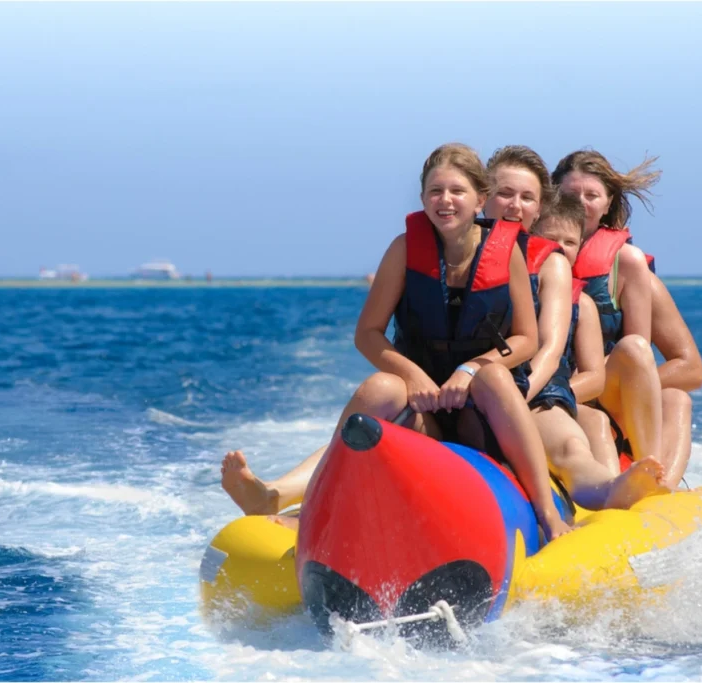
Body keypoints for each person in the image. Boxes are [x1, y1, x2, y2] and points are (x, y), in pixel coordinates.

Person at [222, 143, 572, 539]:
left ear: (480, 198)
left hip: (481, 411)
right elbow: (367, 334)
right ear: (422, 198)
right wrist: (413, 376)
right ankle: (297, 503)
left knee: (493, 377)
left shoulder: (506, 252)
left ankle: (548, 513)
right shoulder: (404, 250)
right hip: (425, 414)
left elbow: (526, 339)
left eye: (457, 191)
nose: (445, 200)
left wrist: (470, 369)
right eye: (435, 191)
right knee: (379, 387)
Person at [468, 145, 667, 509]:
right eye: (504, 194)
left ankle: (619, 492)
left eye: (526, 197)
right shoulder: (452, 252)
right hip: (453, 392)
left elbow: (551, 350)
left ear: (540, 205)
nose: (515, 205)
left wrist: (517, 399)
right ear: (483, 197)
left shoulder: (560, 272)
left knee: (575, 443)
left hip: (534, 392)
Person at [552, 150, 666, 479]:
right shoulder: (529, 248)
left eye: (592, 195)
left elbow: (638, 353)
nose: (582, 203)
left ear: (607, 202)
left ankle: (649, 471)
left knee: (634, 348)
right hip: (552, 381)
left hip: (602, 387)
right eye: (571, 195)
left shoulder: (626, 261)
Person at [579, 271, 702, 487]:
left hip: (613, 398)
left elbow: (691, 369)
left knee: (676, 399)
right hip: (581, 400)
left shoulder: (636, 276)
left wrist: (631, 384)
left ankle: (661, 485)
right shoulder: (544, 270)